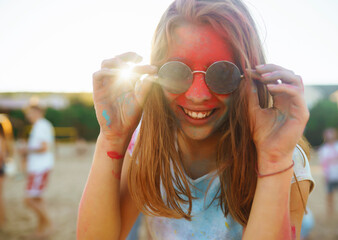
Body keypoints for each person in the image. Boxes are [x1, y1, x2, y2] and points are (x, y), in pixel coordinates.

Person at [77, 0, 315, 239]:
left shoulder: (287, 159)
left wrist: (273, 161)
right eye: (175, 72)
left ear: (251, 78)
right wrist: (111, 139)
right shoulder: (144, 146)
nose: (198, 95)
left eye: (222, 73)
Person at [19, 104, 55, 238]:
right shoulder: (40, 125)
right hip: (39, 167)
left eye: (30, 112)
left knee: (29, 200)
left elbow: (44, 148)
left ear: (37, 112)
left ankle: (49, 224)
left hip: (40, 167)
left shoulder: (41, 126)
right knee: (38, 199)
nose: (28, 115)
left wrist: (25, 149)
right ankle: (40, 231)